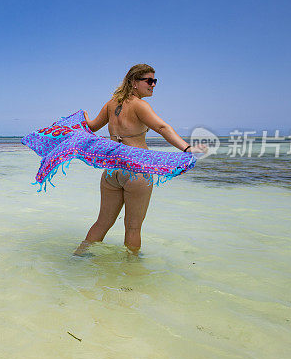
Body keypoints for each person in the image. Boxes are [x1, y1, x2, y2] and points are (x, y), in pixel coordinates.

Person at [74, 64, 206, 256]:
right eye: (149, 81)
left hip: (112, 171)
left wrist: (83, 117)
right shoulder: (140, 105)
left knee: (102, 222)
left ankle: (77, 257)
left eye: (155, 81)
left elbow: (91, 127)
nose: (153, 85)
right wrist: (187, 148)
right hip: (136, 171)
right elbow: (162, 128)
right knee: (133, 228)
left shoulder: (111, 104)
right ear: (134, 82)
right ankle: (133, 272)